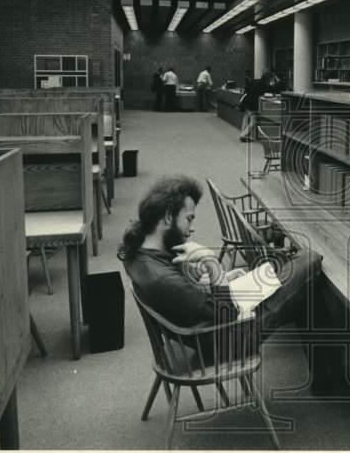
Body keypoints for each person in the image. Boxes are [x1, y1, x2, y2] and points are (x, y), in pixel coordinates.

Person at [119, 175, 325, 362]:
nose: (192, 228)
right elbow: (228, 316)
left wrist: (222, 278)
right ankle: (329, 372)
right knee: (310, 259)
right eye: (189, 219)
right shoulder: (163, 279)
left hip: (206, 329)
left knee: (299, 281)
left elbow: (189, 297)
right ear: (167, 218)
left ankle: (329, 373)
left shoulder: (140, 252)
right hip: (229, 339)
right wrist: (213, 264)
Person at [238, 75, 261, 142]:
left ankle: (243, 134)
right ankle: (243, 135)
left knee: (245, 118)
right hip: (252, 105)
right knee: (253, 121)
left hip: (246, 103)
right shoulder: (259, 86)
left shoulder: (252, 83)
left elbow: (245, 91)